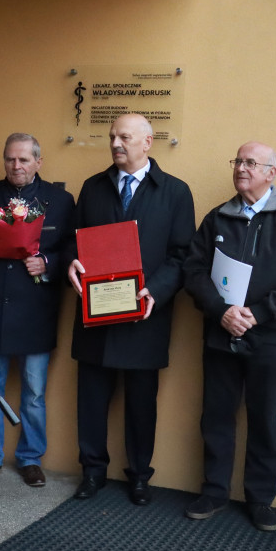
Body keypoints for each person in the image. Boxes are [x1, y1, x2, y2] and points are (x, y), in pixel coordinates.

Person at [182, 142, 276, 531]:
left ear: (271, 173)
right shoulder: (217, 218)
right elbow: (193, 271)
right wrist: (221, 312)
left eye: (250, 163)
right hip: (219, 332)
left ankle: (260, 499)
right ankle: (213, 490)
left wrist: (256, 315)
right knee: (216, 415)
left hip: (271, 338)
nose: (241, 168)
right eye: (238, 161)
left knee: (264, 419)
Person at [67, 113, 195, 506]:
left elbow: (182, 255)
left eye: (124, 137)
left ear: (147, 141)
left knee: (142, 404)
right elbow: (76, 243)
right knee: (91, 399)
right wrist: (72, 262)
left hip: (145, 315)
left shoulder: (175, 192)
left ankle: (140, 476)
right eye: (112, 137)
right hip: (96, 315)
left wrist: (154, 290)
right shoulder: (93, 187)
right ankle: (92, 472)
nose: (116, 144)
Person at [0, 133, 75, 487]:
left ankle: (30, 458)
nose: (17, 166)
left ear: (38, 162)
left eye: (24, 160)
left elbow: (73, 249)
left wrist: (47, 261)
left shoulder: (60, 200)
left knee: (34, 392)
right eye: (11, 159)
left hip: (37, 308)